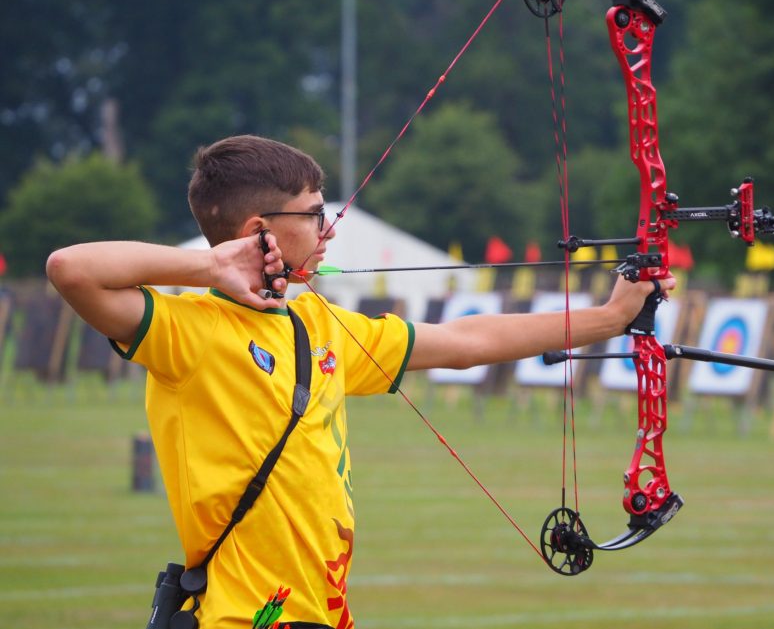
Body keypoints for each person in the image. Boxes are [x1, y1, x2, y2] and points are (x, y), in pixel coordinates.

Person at [46, 135, 673, 629]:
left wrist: (610, 317)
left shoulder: (317, 324)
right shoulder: (188, 331)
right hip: (247, 615)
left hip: (322, 609)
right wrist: (211, 265)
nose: (329, 229)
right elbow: (72, 269)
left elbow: (463, 343)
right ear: (255, 231)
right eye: (314, 214)